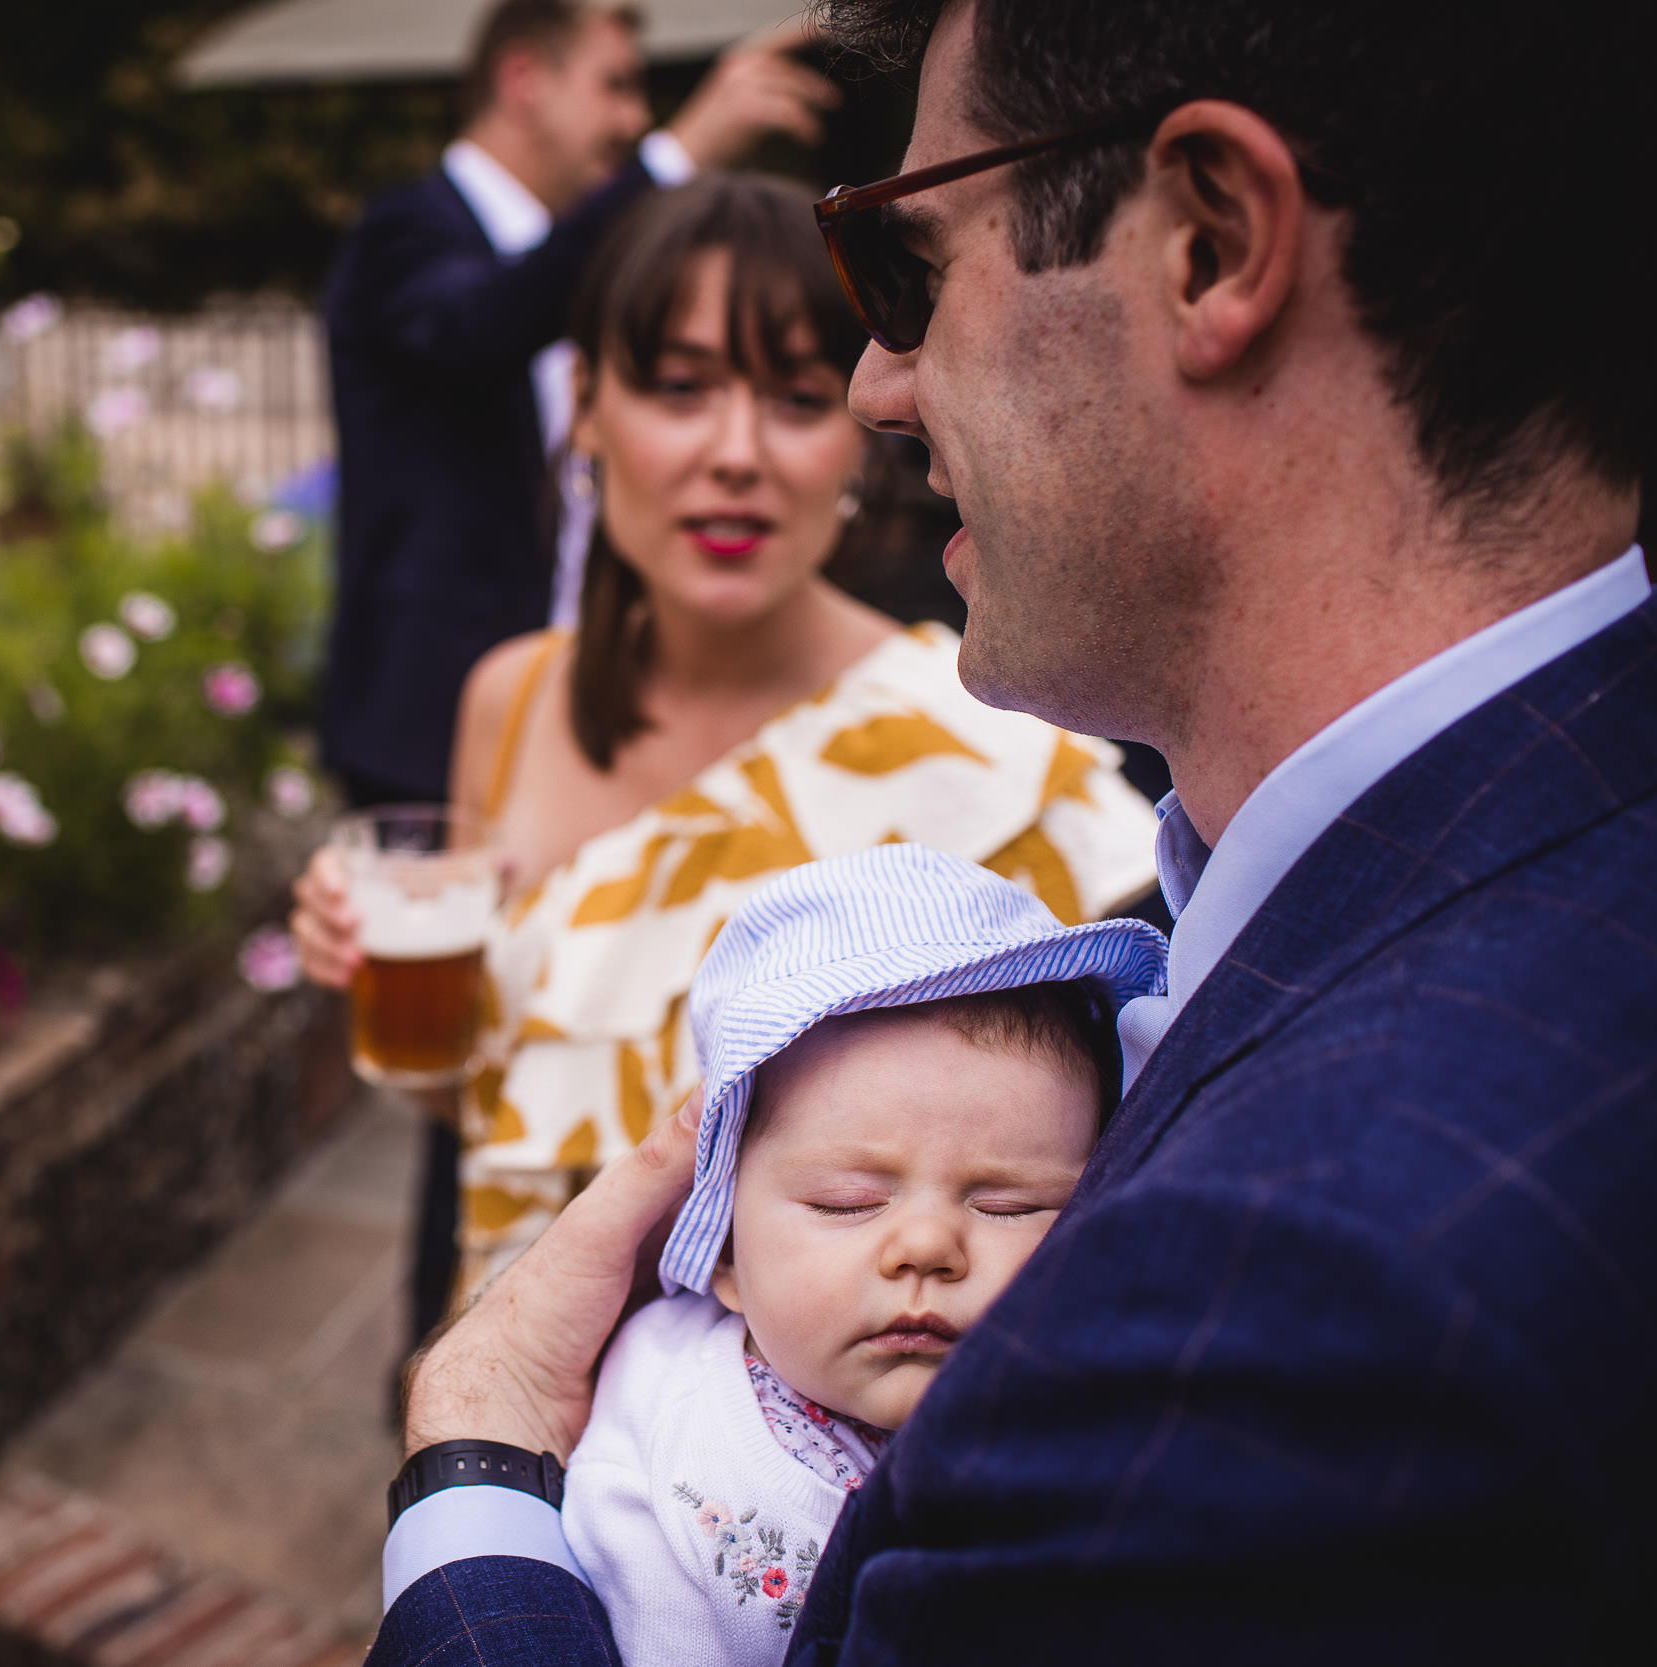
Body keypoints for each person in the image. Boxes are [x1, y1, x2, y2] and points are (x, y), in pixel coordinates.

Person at [365, 0, 1655, 1661]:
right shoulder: (1453, 881)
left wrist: (470, 1460)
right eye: (676, 383)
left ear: (1209, 240)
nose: (875, 381)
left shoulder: (1313, 1295)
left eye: (906, 270)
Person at [295, 175, 1162, 1340]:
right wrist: (377, 980)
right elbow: (489, 1107)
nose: (736, 452)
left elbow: (1081, 1196)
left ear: (853, 441)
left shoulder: (983, 755)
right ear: (587, 409)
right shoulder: (510, 697)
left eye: (797, 397)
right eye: (679, 387)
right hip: (510, 1354)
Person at [319, 2, 839, 1357]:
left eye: (793, 395)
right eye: (613, 90)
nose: (625, 120)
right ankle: (454, 1329)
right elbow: (491, 320)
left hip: (616, 661)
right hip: (447, 712)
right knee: (498, 1033)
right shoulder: (409, 234)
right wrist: (678, 159)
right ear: (522, 74)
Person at [563, 848, 1164, 1665]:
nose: (925, 1247)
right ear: (727, 1251)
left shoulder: (1114, 1409)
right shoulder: (670, 1427)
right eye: (848, 1202)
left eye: (1008, 1206)